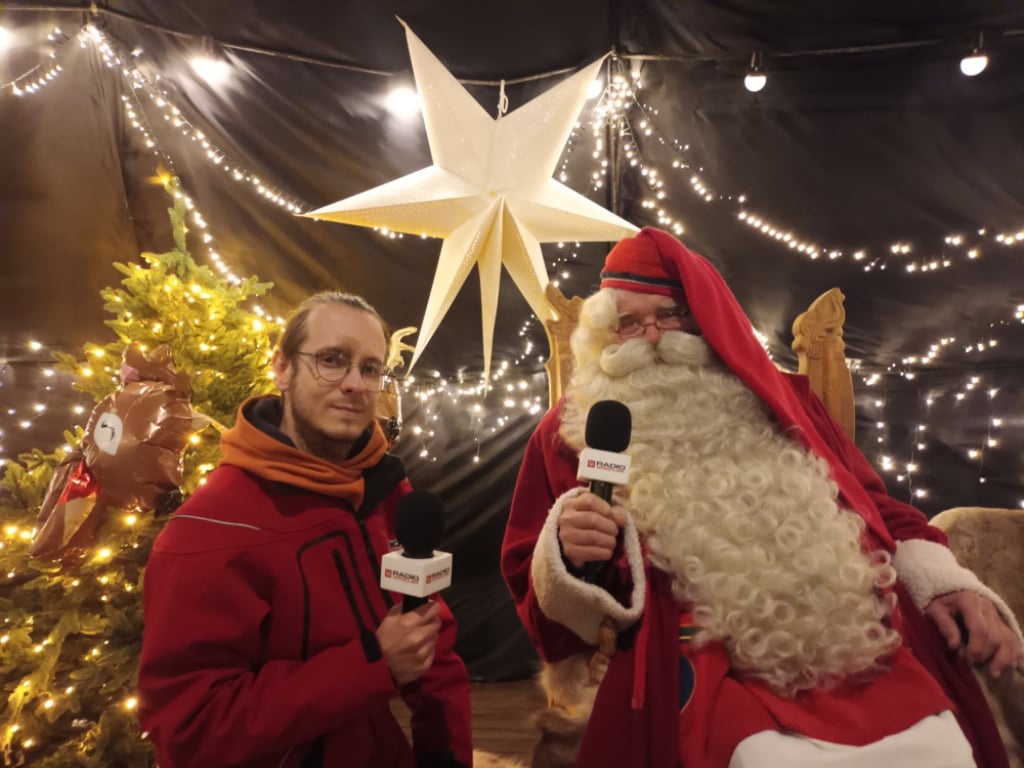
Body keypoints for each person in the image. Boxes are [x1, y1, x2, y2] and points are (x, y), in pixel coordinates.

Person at [501, 228, 1023, 768]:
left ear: (703, 318)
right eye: (628, 323)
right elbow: (531, 569)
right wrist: (566, 552)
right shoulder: (570, 431)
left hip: (846, 637)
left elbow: (872, 504)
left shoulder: (781, 401)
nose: (652, 337)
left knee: (941, 747)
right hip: (700, 649)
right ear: (604, 336)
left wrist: (941, 581)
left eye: (670, 314)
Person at [138, 291, 473, 768]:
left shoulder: (384, 491)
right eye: (331, 360)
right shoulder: (208, 530)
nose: (355, 384)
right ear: (282, 368)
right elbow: (191, 728)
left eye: (371, 368)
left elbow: (429, 640)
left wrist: (448, 755)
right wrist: (372, 662)